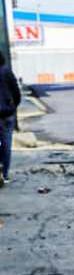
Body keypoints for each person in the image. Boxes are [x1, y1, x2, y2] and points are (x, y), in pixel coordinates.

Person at [0, 51, 21, 187]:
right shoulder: (6, 71)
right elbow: (16, 92)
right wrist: (13, 106)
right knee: (6, 144)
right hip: (7, 113)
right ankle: (5, 174)